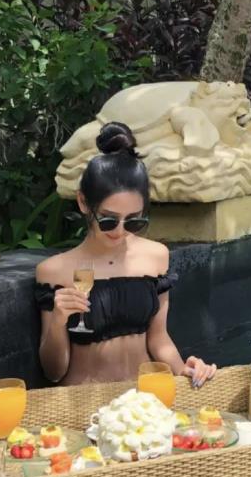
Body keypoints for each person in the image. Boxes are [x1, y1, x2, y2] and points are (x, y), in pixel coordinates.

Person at [35, 122, 217, 387]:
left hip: (145, 397)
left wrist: (184, 370)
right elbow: (53, 372)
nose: (120, 231)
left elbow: (158, 339)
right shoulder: (54, 271)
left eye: (133, 221)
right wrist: (58, 322)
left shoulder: (155, 256)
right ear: (84, 203)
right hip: (84, 400)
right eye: (108, 220)